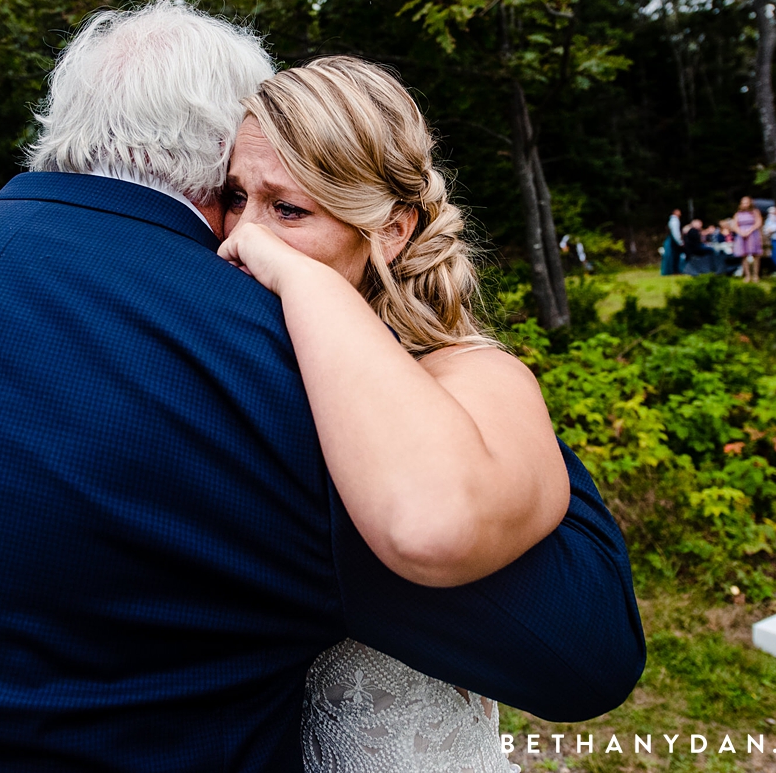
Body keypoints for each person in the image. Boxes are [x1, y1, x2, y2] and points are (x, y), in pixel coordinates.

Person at [0, 2, 645, 772]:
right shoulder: (278, 361)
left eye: (290, 204)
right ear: (228, 154)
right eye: (251, 195)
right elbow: (576, 648)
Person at [215, 57, 614, 770]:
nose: (237, 238)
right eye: (234, 196)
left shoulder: (472, 374)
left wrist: (300, 278)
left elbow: (432, 523)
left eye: (288, 208)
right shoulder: (239, 369)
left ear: (392, 231)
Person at [732, 196, 764, 282]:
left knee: (755, 255)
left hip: (752, 234)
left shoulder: (755, 212)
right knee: (744, 256)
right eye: (743, 202)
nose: (744, 204)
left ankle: (755, 275)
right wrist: (740, 232)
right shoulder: (738, 214)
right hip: (742, 235)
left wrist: (750, 231)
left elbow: (758, 222)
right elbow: (734, 225)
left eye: (746, 202)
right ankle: (747, 275)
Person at [661, 208, 683, 275]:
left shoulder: (672, 220)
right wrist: (679, 241)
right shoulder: (674, 221)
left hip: (671, 239)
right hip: (672, 241)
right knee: (671, 255)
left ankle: (670, 271)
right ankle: (671, 271)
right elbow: (675, 232)